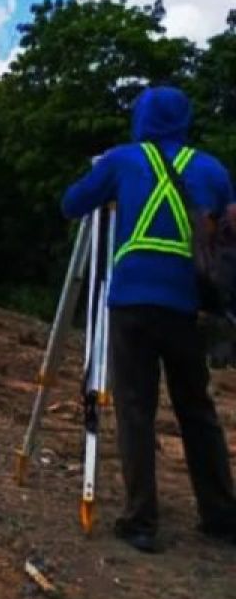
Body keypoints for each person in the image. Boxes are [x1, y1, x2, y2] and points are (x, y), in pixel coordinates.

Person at [62, 85, 236, 553]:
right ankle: (221, 514)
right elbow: (229, 226)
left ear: (141, 119)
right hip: (184, 304)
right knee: (195, 407)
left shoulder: (122, 161)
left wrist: (100, 177)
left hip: (133, 301)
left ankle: (141, 521)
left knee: (136, 409)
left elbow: (72, 203)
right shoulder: (211, 169)